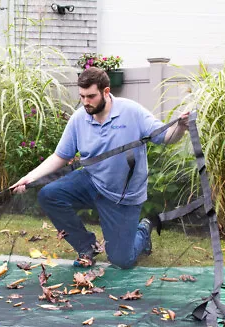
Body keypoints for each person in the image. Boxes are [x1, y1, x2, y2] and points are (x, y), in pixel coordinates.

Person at [11, 66, 189, 268]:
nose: (86, 102)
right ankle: (87, 246)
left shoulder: (131, 111)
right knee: (49, 194)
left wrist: (181, 127)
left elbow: (165, 137)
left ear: (106, 91)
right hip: (91, 182)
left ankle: (144, 229)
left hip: (122, 195)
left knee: (122, 260)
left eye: (91, 96)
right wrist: (29, 177)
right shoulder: (79, 118)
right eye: (82, 96)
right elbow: (61, 156)